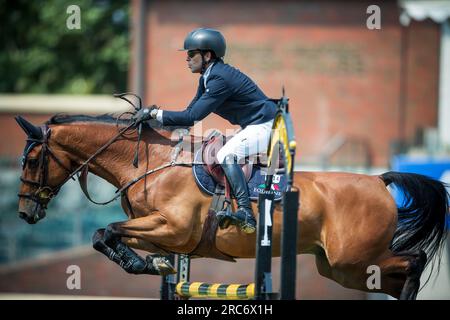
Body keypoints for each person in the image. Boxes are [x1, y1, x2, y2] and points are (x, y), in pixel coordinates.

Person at [134, 28, 276, 234]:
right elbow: (188, 114)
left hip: (265, 125)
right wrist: (155, 124)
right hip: (255, 125)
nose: (187, 59)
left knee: (226, 154)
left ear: (207, 55)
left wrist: (155, 113)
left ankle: (246, 213)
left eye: (191, 54)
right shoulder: (207, 77)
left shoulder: (219, 79)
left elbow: (192, 117)